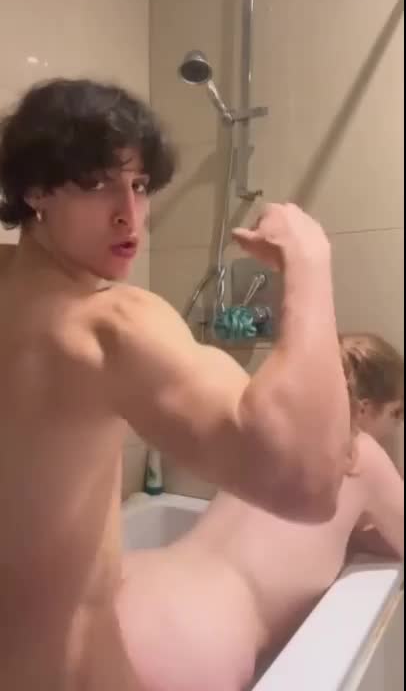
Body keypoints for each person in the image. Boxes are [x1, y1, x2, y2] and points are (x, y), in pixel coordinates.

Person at [0, 78, 349, 690]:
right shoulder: (110, 326)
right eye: (96, 183)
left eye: (138, 185)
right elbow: (307, 482)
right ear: (34, 190)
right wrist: (309, 265)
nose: (128, 214)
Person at [117, 333, 404, 691]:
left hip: (135, 580)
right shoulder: (361, 454)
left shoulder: (271, 434)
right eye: (396, 413)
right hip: (200, 637)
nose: (397, 427)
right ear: (363, 409)